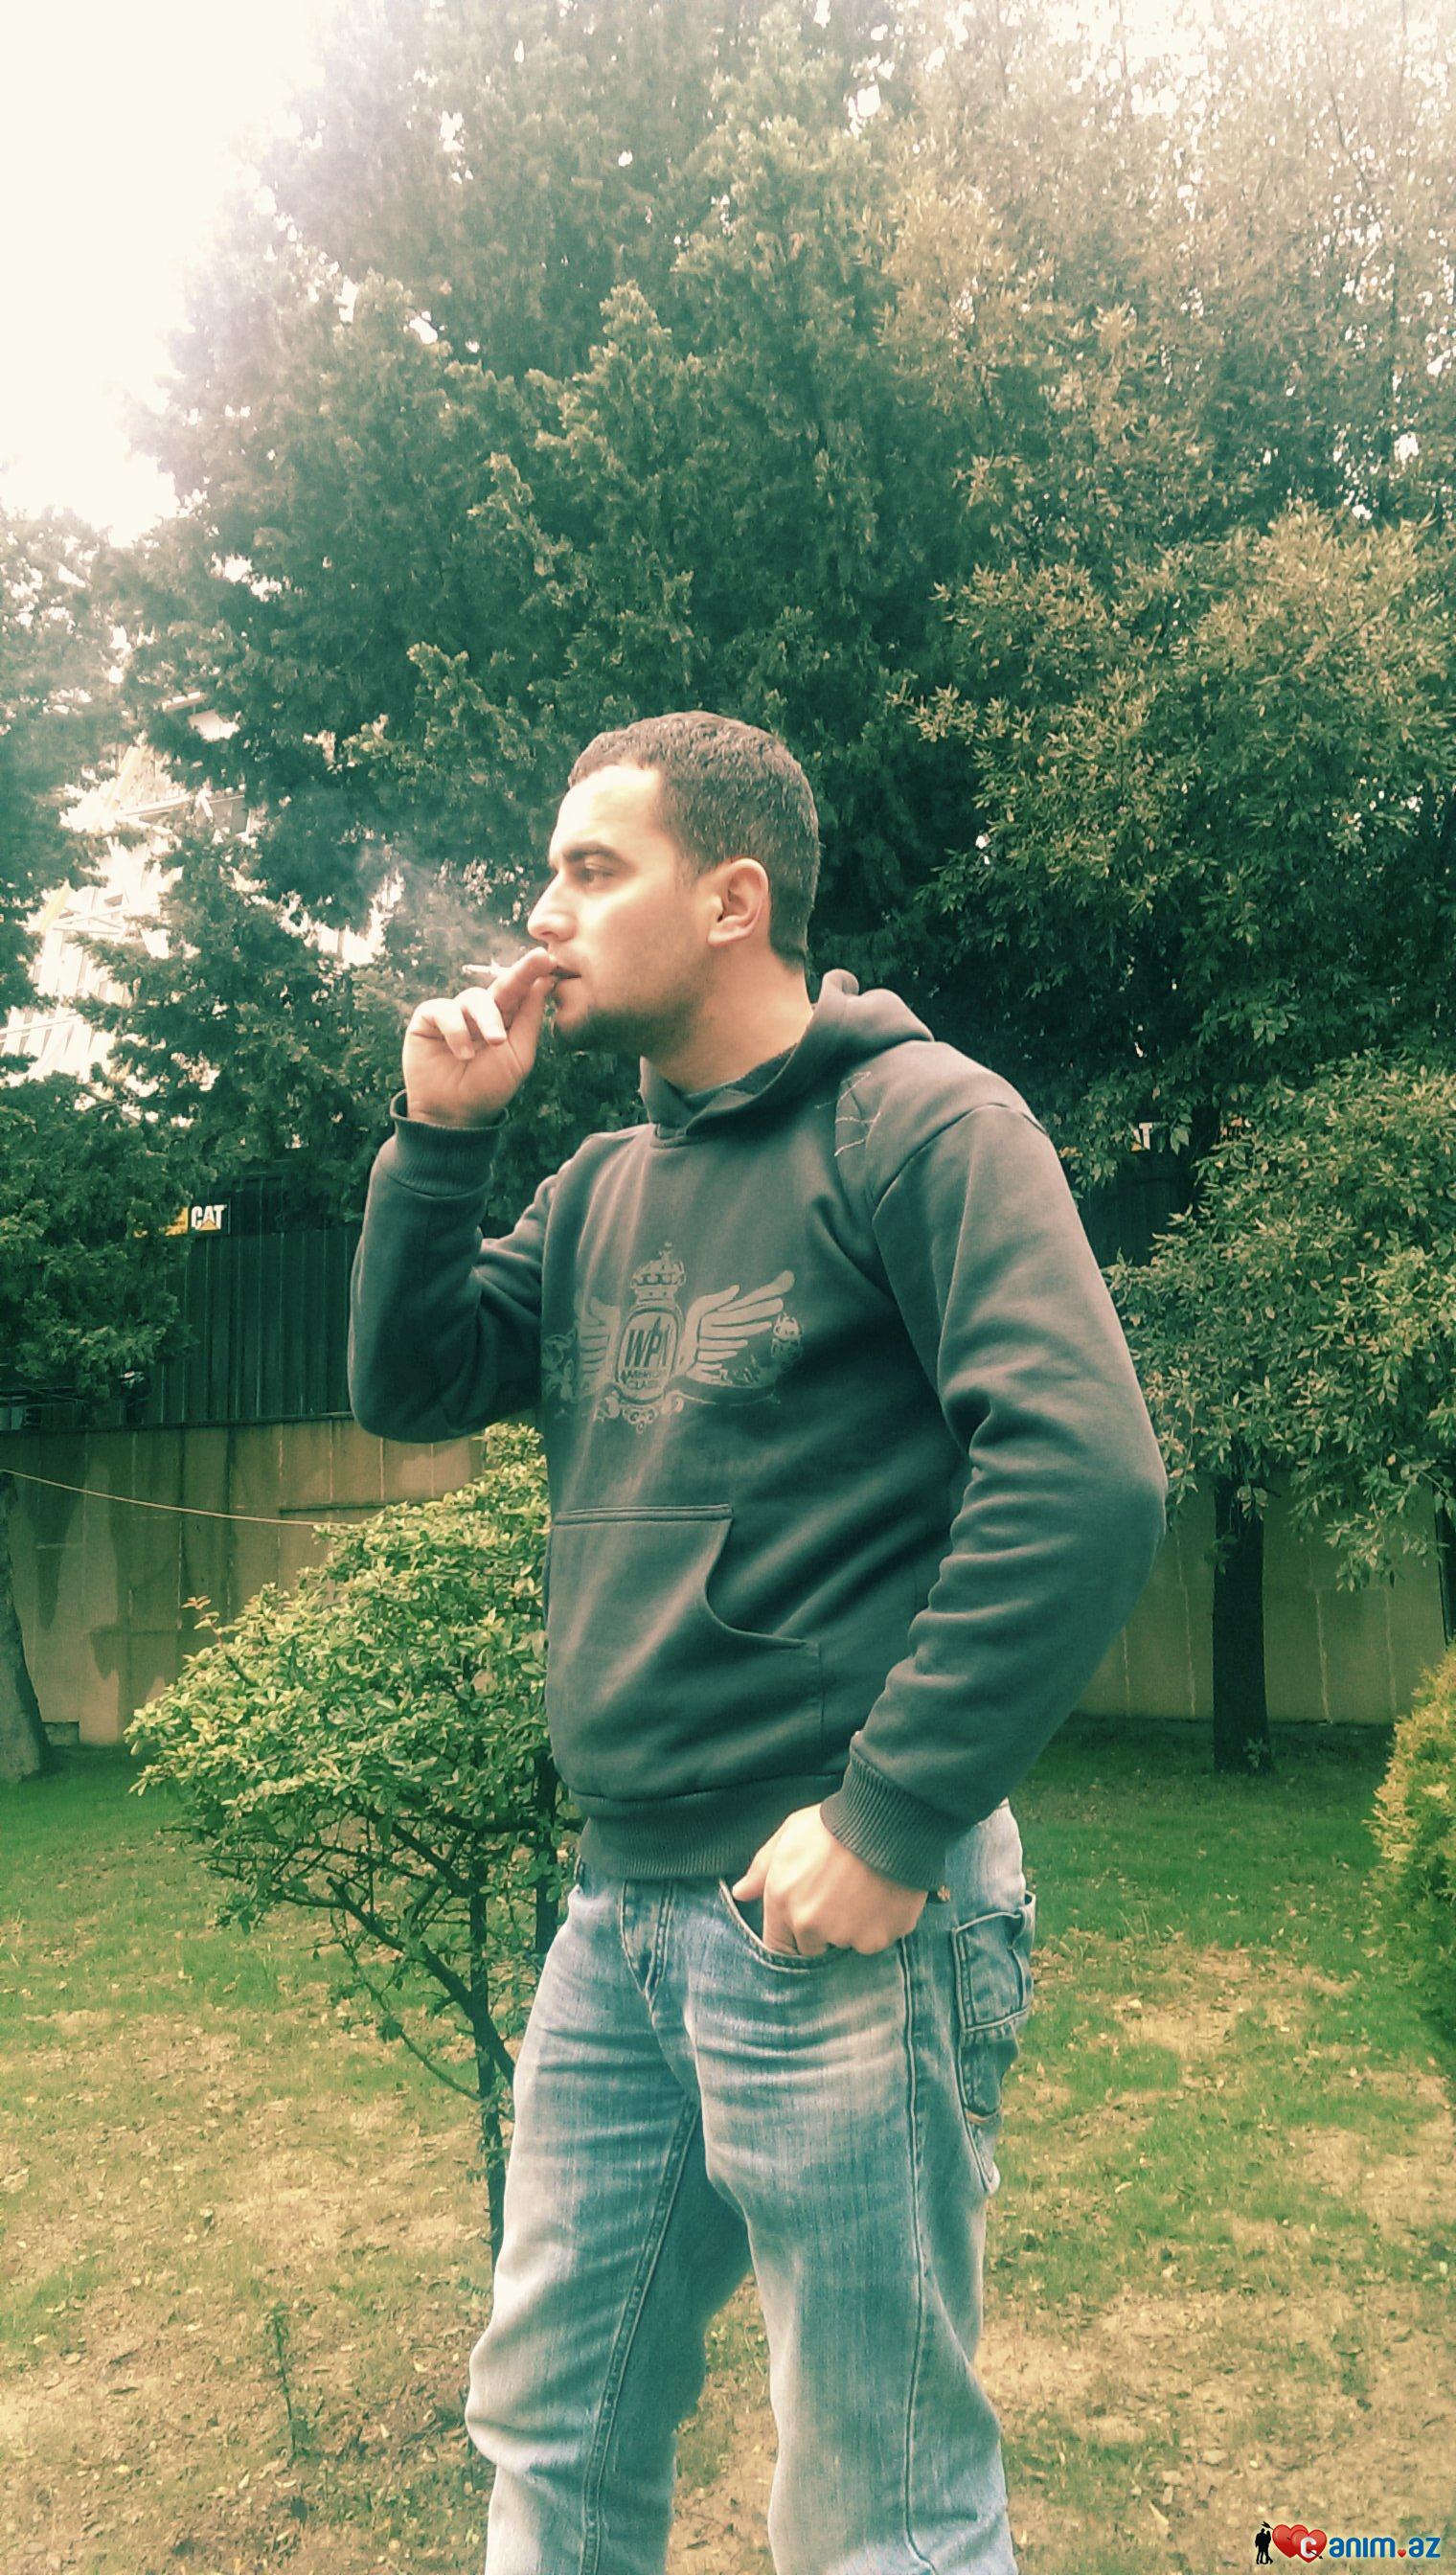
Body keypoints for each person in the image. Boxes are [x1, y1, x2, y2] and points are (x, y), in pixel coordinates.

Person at [348, 710, 1170, 2575]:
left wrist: (893, 1819)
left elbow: (1085, 1471)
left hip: (835, 1919)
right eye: (545, 871)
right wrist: (440, 1142)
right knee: (551, 2432)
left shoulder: (921, 1123)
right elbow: (412, 1385)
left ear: (732, 900)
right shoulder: (595, 1191)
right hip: (617, 1916)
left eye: (591, 869)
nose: (542, 913)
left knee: (880, 2503)